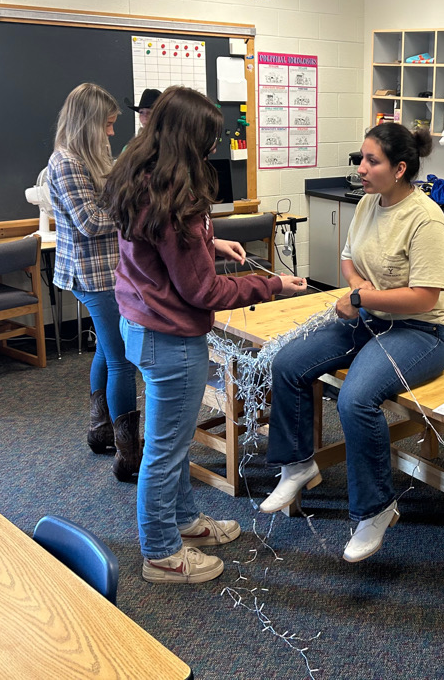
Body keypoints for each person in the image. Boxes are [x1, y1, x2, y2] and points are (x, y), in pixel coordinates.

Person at [104, 86, 305, 584]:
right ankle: (162, 554)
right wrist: (272, 283)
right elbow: (201, 289)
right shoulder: (179, 201)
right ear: (188, 139)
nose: (212, 148)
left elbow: (167, 254)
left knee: (167, 442)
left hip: (141, 324)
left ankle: (186, 524)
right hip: (170, 339)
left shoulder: (140, 176)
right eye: (208, 139)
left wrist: (211, 239)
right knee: (166, 449)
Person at [261, 122, 444, 563]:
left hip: (423, 331)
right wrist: (358, 289)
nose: (362, 167)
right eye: (362, 157)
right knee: (288, 364)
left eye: (372, 160)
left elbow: (425, 297)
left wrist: (360, 296)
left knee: (355, 399)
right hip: (372, 317)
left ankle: (376, 509)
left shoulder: (426, 219)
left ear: (400, 168)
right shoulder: (369, 203)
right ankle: (298, 465)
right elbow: (348, 259)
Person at [46, 82, 139, 482]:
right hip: (93, 274)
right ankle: (128, 454)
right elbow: (89, 222)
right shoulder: (65, 162)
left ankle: (99, 429)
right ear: (88, 123)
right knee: (121, 360)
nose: (112, 133)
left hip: (107, 269)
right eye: (108, 124)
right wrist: (134, 213)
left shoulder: (92, 156)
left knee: (105, 348)